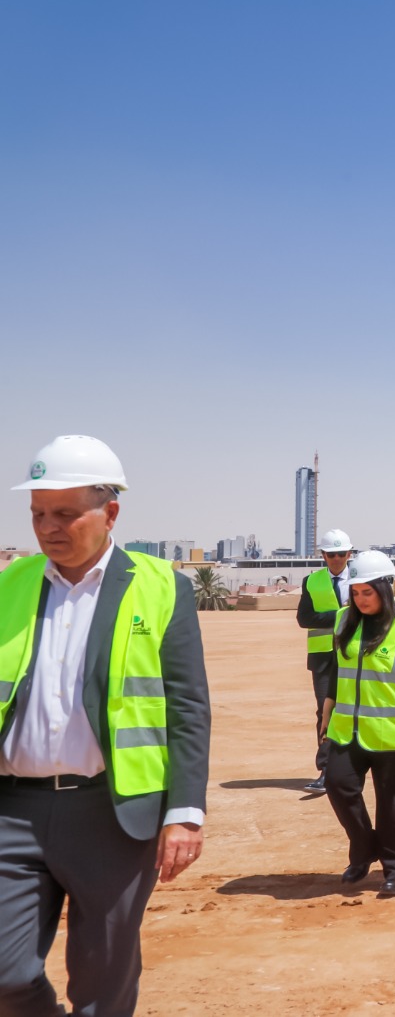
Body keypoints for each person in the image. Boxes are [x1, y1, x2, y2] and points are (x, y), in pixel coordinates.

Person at [0, 435, 210, 1016]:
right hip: (11, 810)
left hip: (113, 814)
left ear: (110, 511)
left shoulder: (162, 586)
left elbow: (188, 707)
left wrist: (185, 812)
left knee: (103, 983)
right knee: (6, 974)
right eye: (38, 514)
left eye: (65, 514)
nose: (48, 528)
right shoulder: (10, 585)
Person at [322, 551, 395, 898]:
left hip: (393, 731)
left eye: (367, 592)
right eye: (355, 593)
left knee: (393, 802)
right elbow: (336, 670)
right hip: (346, 727)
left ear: (386, 588)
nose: (360, 600)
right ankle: (365, 846)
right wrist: (325, 712)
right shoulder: (343, 620)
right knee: (338, 785)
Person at [295, 527, 355, 795]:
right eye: (331, 554)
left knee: (357, 711)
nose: (336, 559)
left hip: (354, 655)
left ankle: (355, 768)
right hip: (322, 659)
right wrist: (343, 614)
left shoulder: (361, 578)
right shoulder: (312, 581)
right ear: (323, 555)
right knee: (325, 712)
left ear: (349, 554)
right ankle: (326, 770)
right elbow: (304, 618)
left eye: (341, 554)